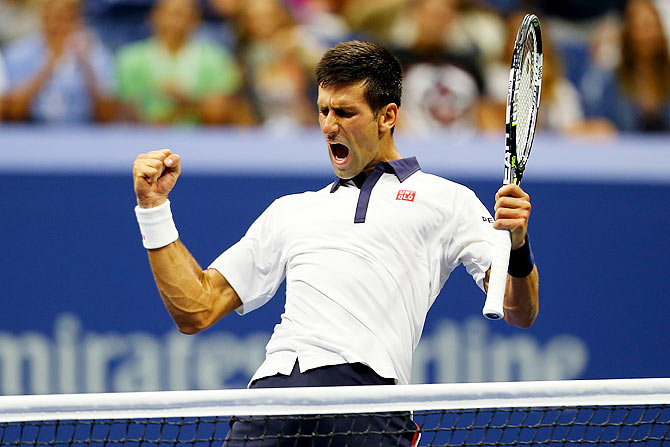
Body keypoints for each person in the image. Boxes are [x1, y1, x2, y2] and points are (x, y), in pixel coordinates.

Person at [132, 41, 539, 446]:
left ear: (387, 116)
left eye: (345, 112)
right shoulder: (291, 210)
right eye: (324, 111)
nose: (329, 125)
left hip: (364, 404)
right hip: (272, 402)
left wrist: (517, 246)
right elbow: (197, 310)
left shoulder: (446, 199)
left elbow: (519, 310)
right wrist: (153, 210)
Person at [116, 0, 252, 125]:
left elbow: (218, 113)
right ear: (154, 16)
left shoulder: (216, 58)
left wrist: (184, 101)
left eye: (183, 15)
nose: (175, 22)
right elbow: (127, 112)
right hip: (144, 140)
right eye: (170, 14)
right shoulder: (130, 58)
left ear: (196, 20)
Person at [1, 0, 117, 123]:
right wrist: (49, 66)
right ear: (44, 18)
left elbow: (108, 117)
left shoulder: (97, 55)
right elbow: (11, 113)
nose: (60, 26)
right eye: (56, 18)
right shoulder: (19, 54)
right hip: (32, 135)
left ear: (80, 20)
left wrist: (87, 68)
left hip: (82, 136)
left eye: (68, 19)